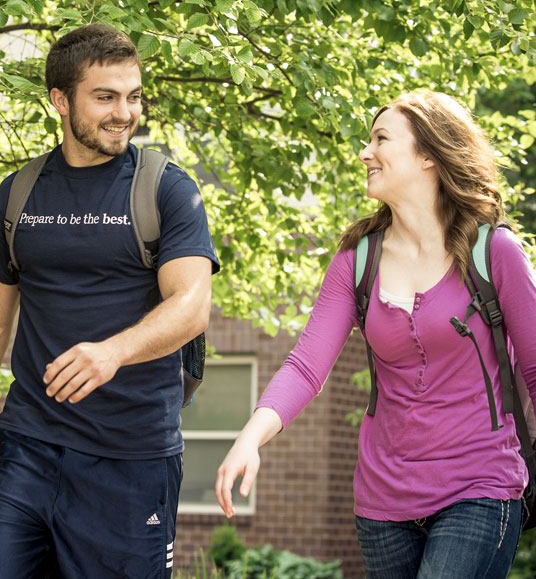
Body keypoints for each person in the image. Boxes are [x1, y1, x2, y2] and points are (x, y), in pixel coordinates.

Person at [0, 23, 220, 578]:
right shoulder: (20, 191)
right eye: (104, 97)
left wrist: (113, 352)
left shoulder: (166, 188)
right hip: (26, 447)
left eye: (133, 96)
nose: (124, 113)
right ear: (60, 100)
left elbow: (191, 305)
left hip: (130, 460)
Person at [215, 90, 536, 579]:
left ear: (428, 155)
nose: (365, 153)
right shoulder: (357, 259)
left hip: (480, 485)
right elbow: (306, 364)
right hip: (383, 502)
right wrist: (249, 439)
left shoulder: (494, 253)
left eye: (381, 140)